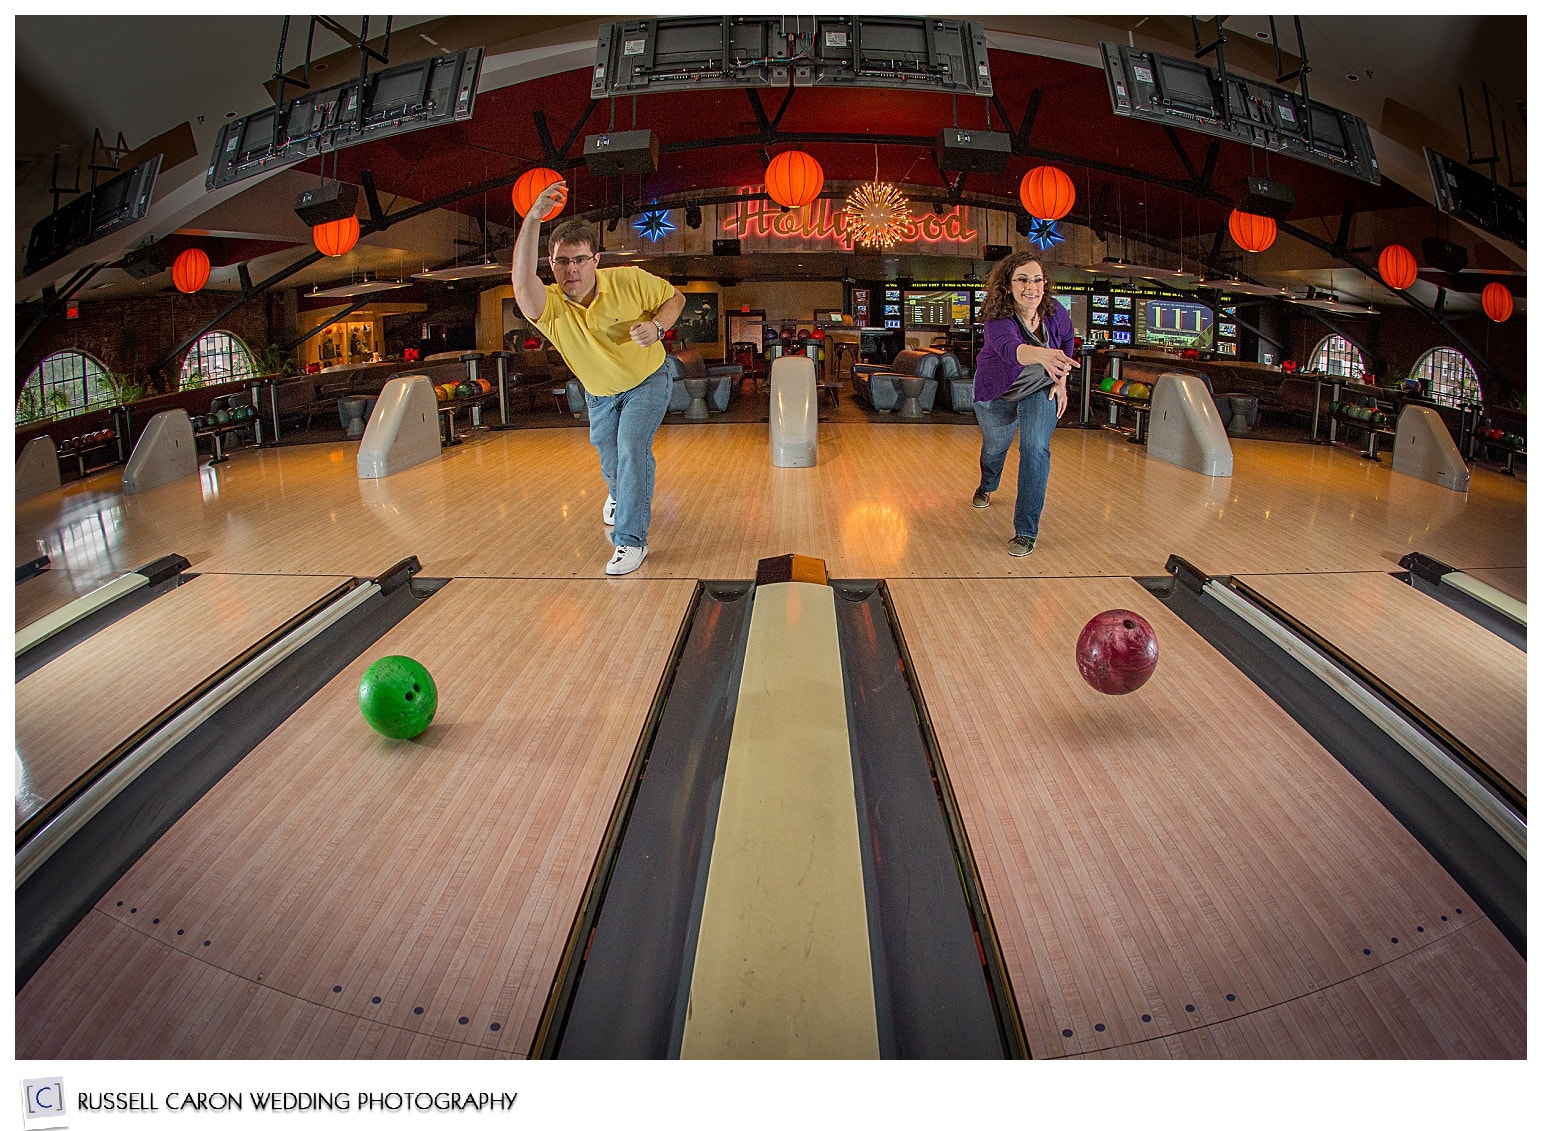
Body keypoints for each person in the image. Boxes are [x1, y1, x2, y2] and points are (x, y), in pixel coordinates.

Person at [511, 179, 685, 575]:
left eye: (579, 259)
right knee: (610, 459)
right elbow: (522, 282)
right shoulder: (551, 307)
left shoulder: (629, 281)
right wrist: (533, 217)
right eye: (561, 261)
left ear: (596, 259)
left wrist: (658, 327)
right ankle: (617, 493)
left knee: (631, 448)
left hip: (648, 380)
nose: (571, 269)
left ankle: (631, 542)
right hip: (600, 396)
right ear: (552, 264)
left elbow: (675, 298)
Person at [969, 252, 1079, 557]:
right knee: (995, 447)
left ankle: (1026, 531)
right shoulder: (997, 318)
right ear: (1007, 285)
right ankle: (987, 484)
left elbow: (1068, 339)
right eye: (1022, 279)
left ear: (1045, 284)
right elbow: (1010, 350)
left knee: (1035, 449)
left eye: (1037, 279)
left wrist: (1060, 380)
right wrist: (1044, 355)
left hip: (1039, 389)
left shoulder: (1054, 312)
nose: (1031, 287)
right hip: (997, 393)